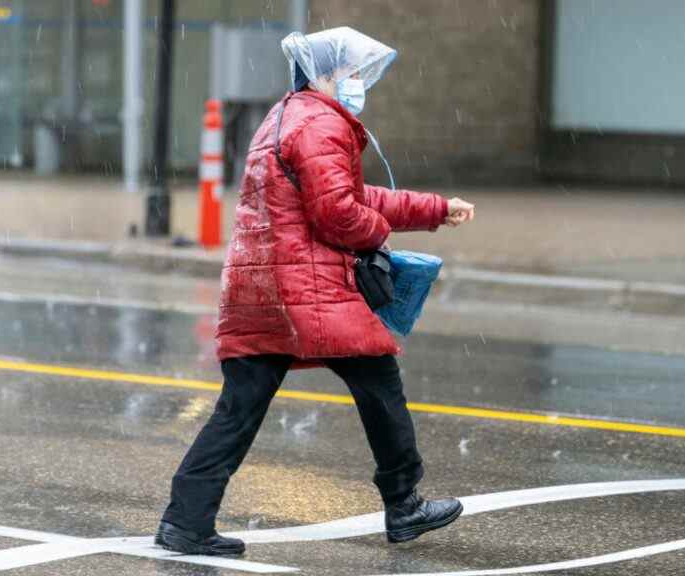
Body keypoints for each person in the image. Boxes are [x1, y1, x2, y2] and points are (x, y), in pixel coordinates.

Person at [155, 26, 476, 556]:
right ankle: (404, 503)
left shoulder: (288, 115)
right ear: (324, 75)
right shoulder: (319, 124)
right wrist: (380, 237)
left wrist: (436, 209)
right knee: (379, 380)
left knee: (238, 410)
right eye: (350, 73)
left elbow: (353, 194)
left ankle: (185, 522)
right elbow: (339, 213)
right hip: (306, 290)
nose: (357, 83)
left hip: (261, 288)